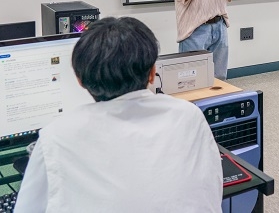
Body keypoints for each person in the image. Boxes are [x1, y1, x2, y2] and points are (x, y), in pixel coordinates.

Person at [14, 17, 223, 212]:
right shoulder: (189, 117)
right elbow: (211, 191)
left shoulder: (55, 137)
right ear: (152, 73)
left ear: (80, 80)